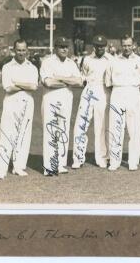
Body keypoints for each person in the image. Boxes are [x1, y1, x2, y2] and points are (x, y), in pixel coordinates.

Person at [0, 39, 38, 179]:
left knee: (23, 135)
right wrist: (25, 85)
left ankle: (18, 166)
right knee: (7, 134)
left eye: (23, 50)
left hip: (27, 102)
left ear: (27, 50)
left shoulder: (32, 67)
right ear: (14, 50)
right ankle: (2, 169)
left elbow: (34, 87)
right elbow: (8, 87)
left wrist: (17, 83)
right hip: (11, 102)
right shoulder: (7, 67)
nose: (21, 52)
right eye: (18, 50)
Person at [40, 37, 82, 176]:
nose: (64, 49)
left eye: (66, 46)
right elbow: (48, 83)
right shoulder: (47, 62)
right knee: (51, 131)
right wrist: (68, 81)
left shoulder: (71, 63)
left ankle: (61, 164)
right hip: (51, 98)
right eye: (61, 47)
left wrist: (59, 78)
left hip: (66, 99)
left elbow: (79, 82)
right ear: (55, 48)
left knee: (63, 130)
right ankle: (49, 166)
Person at [71, 35, 113, 169]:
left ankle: (101, 157)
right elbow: (82, 76)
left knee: (101, 126)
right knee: (81, 124)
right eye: (97, 46)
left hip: (104, 91)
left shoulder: (111, 60)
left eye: (102, 46)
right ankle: (78, 158)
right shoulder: (87, 59)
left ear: (105, 46)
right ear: (94, 46)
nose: (100, 48)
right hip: (89, 90)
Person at [105, 36, 140, 171]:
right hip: (117, 93)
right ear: (120, 46)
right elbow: (109, 83)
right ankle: (115, 161)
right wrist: (119, 90)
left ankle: (133, 161)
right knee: (115, 127)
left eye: (129, 45)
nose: (127, 48)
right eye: (124, 45)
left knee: (134, 129)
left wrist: (132, 91)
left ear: (133, 45)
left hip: (134, 93)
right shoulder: (113, 61)